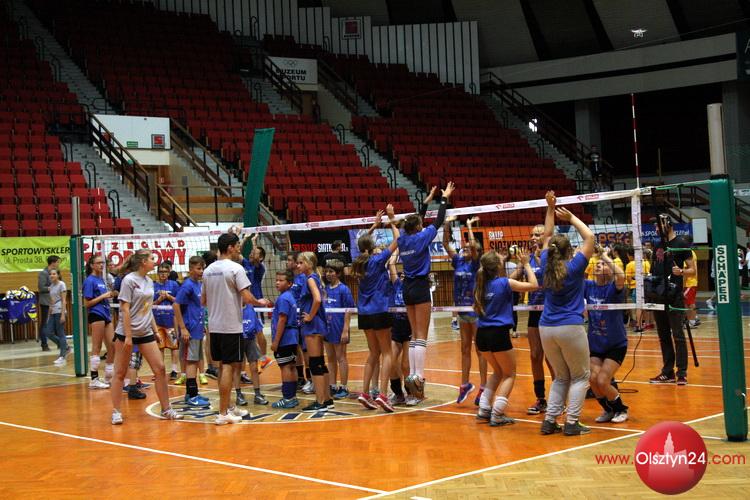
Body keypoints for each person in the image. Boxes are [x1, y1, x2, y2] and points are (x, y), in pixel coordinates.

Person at [538, 190, 596, 436]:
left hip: (546, 327)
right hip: (570, 326)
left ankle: (550, 421)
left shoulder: (544, 263)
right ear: (569, 251)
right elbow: (590, 237)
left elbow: (547, 235)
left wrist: (550, 208)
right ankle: (572, 423)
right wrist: (571, 217)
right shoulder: (574, 267)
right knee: (581, 376)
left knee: (561, 377)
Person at [202, 232, 271, 425]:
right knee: (228, 367)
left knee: (224, 367)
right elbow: (247, 297)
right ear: (230, 247)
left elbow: (203, 300)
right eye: (238, 246)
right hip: (230, 326)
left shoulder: (208, 270)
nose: (240, 249)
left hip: (215, 326)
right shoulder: (235, 268)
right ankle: (223, 413)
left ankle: (229, 407)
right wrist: (260, 302)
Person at [109, 249, 183, 425]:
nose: (154, 261)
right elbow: (124, 309)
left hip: (145, 332)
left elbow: (147, 309)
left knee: (160, 369)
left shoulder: (149, 281)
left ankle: (166, 409)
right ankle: (116, 412)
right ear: (143, 262)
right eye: (152, 258)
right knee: (120, 372)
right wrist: (128, 336)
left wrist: (155, 331)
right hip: (126, 333)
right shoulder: (129, 280)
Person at [399, 181, 454, 401]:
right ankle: (418, 377)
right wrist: (444, 198)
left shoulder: (403, 239)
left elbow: (415, 221)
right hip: (421, 286)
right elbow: (438, 221)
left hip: (407, 287)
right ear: (418, 228)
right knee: (421, 335)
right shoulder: (421, 237)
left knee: (414, 335)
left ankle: (412, 376)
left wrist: (426, 201)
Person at [473, 248, 538, 426]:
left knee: (498, 372)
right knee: (509, 374)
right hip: (498, 334)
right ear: (498, 266)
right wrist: (526, 264)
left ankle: (484, 409)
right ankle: (497, 414)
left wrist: (520, 266)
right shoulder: (504, 283)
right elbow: (534, 285)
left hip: (481, 336)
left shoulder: (480, 284)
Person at [354, 205, 400, 412]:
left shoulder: (358, 262)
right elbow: (398, 239)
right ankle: (382, 394)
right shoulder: (377, 260)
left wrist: (374, 226)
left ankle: (364, 393)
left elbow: (361, 243)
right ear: (372, 246)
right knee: (387, 352)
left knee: (373, 353)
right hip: (379, 310)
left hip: (364, 313)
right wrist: (391, 220)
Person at [443, 215, 486, 404]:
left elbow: (474, 247)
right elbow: (445, 243)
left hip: (475, 311)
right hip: (462, 311)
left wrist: (468, 226)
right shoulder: (458, 261)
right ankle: (465, 384)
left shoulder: (476, 263)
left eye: (469, 247)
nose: (466, 248)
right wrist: (446, 223)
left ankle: (483, 387)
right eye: (465, 247)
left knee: (480, 350)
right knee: (465, 349)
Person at [585, 247, 630, 424]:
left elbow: (621, 276)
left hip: (615, 343)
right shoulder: (588, 286)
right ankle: (609, 410)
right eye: (597, 264)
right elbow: (573, 276)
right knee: (592, 379)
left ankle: (621, 409)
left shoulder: (613, 288)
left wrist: (604, 255)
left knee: (603, 380)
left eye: (603, 264)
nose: (599, 265)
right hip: (596, 343)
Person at [648, 214, 695, 386]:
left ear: (668, 224)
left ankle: (681, 373)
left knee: (678, 335)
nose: (656, 228)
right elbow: (654, 269)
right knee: (663, 335)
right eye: (655, 226)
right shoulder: (657, 245)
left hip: (674, 297)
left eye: (658, 225)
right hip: (658, 295)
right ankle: (667, 372)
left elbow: (692, 270)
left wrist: (681, 272)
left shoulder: (681, 243)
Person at [296, 251, 332, 412]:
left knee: (315, 363)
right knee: (319, 362)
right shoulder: (314, 278)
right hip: (317, 324)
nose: (298, 265)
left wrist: (310, 316)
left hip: (313, 325)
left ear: (309, 264)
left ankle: (320, 401)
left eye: (301, 263)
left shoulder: (310, 279)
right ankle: (327, 399)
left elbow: (317, 299)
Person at [173, 255, 209, 407]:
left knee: (195, 360)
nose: (201, 271)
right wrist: (182, 328)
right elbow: (176, 305)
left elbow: (198, 307)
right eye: (198, 268)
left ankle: (191, 393)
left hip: (197, 329)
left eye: (202, 268)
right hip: (189, 330)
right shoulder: (187, 285)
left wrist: (203, 324)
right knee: (191, 362)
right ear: (190, 269)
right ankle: (193, 395)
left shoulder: (198, 284)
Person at [526, 224, 554, 415]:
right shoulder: (528, 259)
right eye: (532, 235)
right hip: (534, 310)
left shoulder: (552, 257)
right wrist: (522, 264)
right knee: (535, 355)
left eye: (537, 235)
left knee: (552, 358)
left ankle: (558, 399)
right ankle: (541, 399)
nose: (533, 238)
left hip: (551, 311)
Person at [239, 233, 273, 372]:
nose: (252, 254)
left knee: (258, 330)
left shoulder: (260, 267)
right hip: (245, 303)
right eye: (252, 252)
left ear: (261, 257)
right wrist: (244, 239)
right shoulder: (246, 264)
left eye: (255, 253)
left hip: (256, 303)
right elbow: (238, 252)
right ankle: (255, 359)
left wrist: (253, 242)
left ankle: (264, 358)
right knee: (248, 331)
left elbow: (256, 259)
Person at [83, 255, 115, 389]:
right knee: (96, 347)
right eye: (99, 263)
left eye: (103, 263)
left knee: (112, 346)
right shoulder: (89, 281)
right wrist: (103, 296)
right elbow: (87, 303)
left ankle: (108, 378)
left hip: (106, 314)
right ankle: (94, 379)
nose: (102, 265)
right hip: (96, 314)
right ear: (92, 265)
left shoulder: (102, 279)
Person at [323, 259, 354, 399]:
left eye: (331, 271)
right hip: (327, 328)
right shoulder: (325, 289)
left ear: (339, 273)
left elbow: (348, 310)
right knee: (330, 358)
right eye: (326, 271)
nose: (328, 274)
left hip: (339, 327)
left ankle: (344, 386)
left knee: (341, 357)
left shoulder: (344, 289)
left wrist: (345, 329)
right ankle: (332, 385)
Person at [270, 269, 300, 408]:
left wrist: (276, 341)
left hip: (285, 338)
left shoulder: (283, 299)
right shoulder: (290, 297)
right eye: (276, 280)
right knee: (291, 366)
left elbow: (282, 319)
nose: (277, 282)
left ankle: (287, 398)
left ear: (289, 283)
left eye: (281, 280)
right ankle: (292, 397)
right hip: (292, 337)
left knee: (285, 367)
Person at [387, 250, 411, 405]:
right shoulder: (397, 285)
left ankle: (412, 392)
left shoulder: (412, 289)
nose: (402, 277)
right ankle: (398, 393)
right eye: (401, 275)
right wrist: (397, 249)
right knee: (390, 362)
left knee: (405, 365)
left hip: (409, 328)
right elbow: (391, 264)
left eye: (405, 276)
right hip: (395, 328)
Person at [236, 302, 268, 406]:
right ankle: (238, 395)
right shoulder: (233, 307)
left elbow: (259, 330)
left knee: (254, 368)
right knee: (237, 368)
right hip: (237, 340)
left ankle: (257, 394)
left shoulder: (250, 308)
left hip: (250, 340)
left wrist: (263, 356)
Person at [154, 263, 180, 379]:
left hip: (171, 322)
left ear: (169, 273)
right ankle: (160, 370)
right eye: (161, 272)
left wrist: (168, 297)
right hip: (158, 321)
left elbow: (179, 300)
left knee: (174, 346)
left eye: (165, 272)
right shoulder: (153, 286)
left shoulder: (174, 285)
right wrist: (159, 299)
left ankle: (174, 370)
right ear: (157, 273)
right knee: (160, 347)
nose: (163, 274)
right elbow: (150, 304)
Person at [47, 269, 71, 366]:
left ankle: (62, 356)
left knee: (61, 333)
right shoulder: (51, 286)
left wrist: (62, 314)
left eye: (54, 274)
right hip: (53, 311)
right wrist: (49, 312)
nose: (52, 275)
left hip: (60, 311)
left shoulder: (62, 284)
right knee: (48, 332)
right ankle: (66, 347)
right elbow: (52, 300)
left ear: (58, 275)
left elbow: (64, 300)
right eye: (50, 274)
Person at [38, 255, 61, 352]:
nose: (59, 264)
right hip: (46, 302)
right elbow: (41, 288)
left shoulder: (57, 272)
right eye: (58, 262)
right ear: (53, 263)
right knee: (45, 323)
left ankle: (61, 343)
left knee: (57, 323)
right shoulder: (43, 273)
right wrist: (52, 288)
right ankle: (44, 344)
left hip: (55, 301)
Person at [625, 246, 651, 333]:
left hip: (636, 288)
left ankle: (638, 325)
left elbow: (629, 279)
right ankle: (647, 323)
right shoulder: (646, 262)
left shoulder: (629, 265)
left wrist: (633, 280)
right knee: (645, 306)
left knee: (638, 307)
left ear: (629, 255)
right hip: (646, 287)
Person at [684, 250, 700, 328]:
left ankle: (692, 321)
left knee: (690, 302)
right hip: (691, 282)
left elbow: (685, 270)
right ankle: (693, 319)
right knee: (688, 302)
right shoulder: (692, 252)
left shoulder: (687, 253)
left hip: (689, 282)